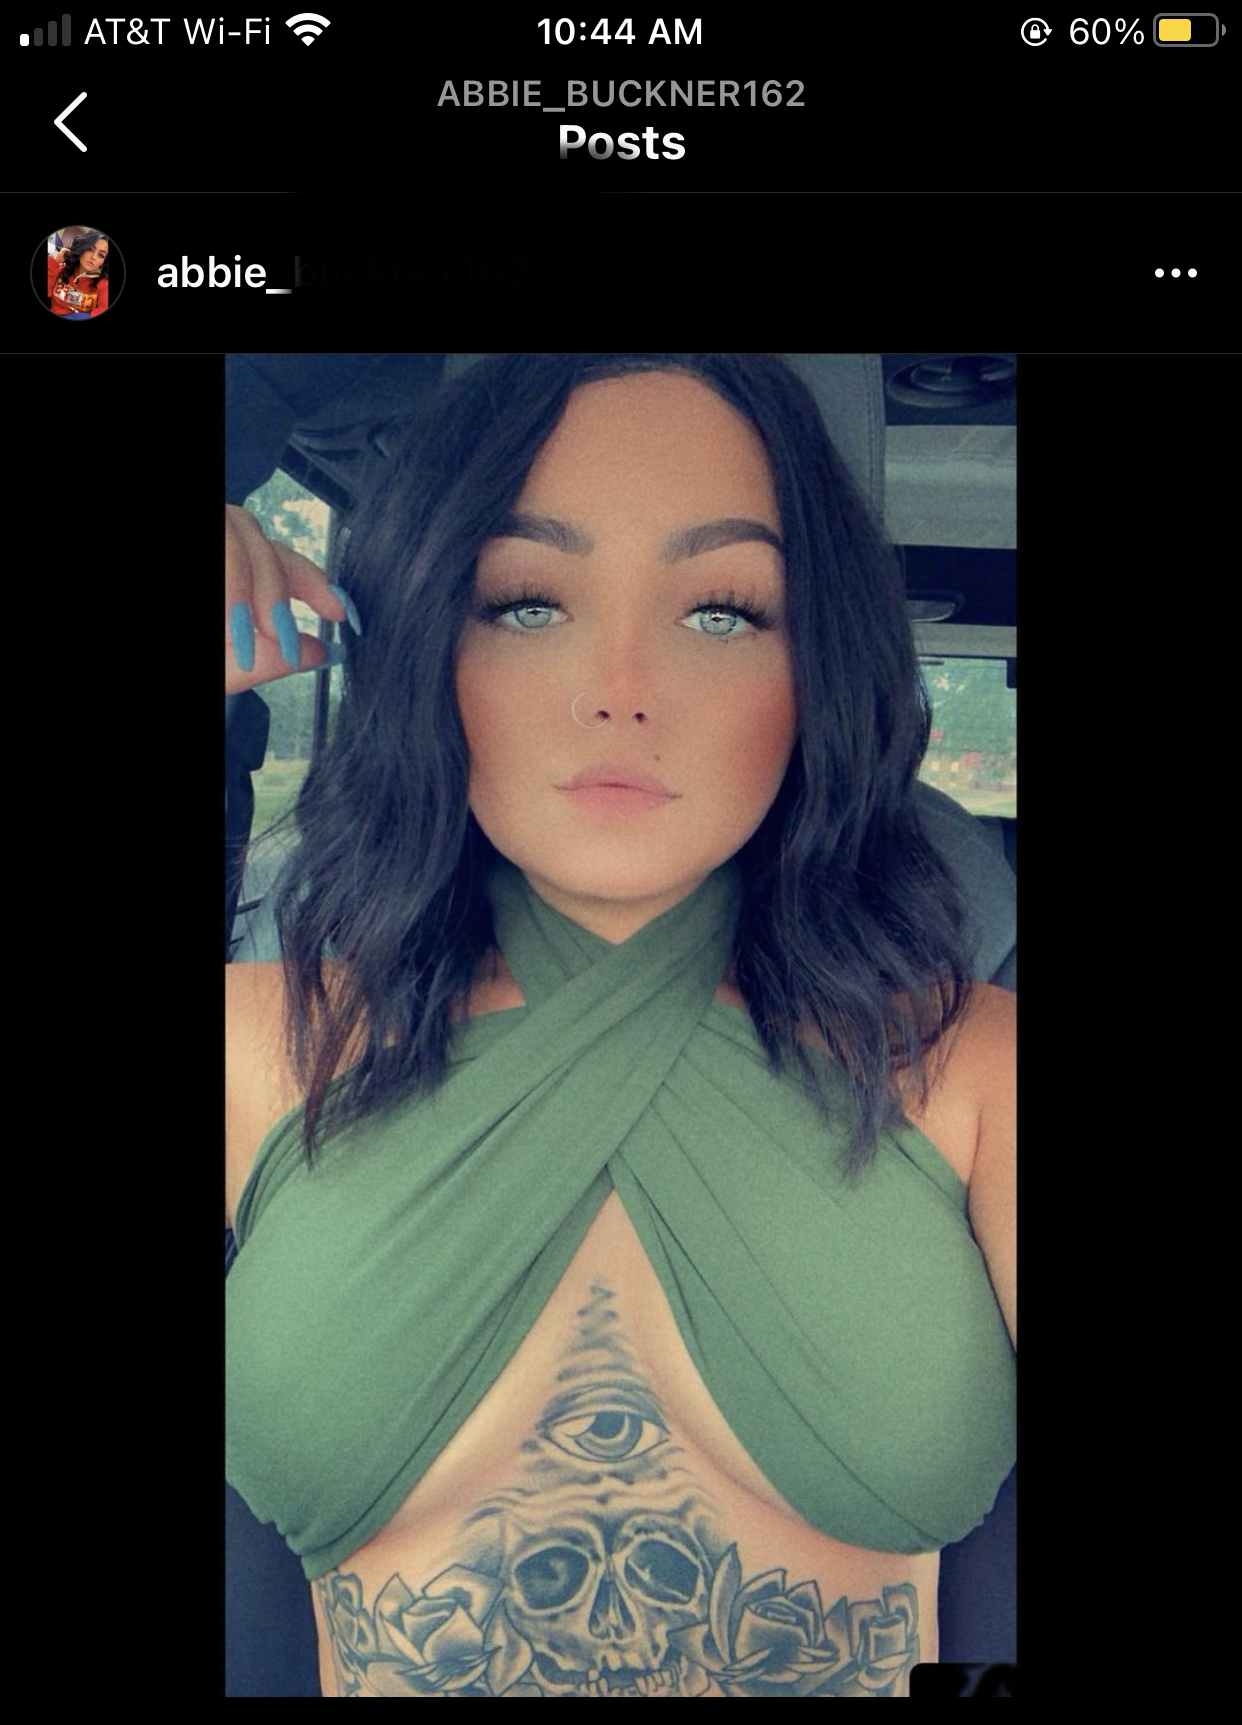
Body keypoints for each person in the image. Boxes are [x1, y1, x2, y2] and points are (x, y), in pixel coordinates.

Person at [225, 354, 1015, 1699]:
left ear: (818, 670)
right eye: (526, 602)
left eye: (721, 611)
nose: (619, 689)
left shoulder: (970, 1066)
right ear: (425, 646)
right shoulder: (265, 1043)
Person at [47, 230, 110, 319]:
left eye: (101, 255)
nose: (93, 257)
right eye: (89, 249)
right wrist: (55, 261)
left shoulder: (104, 285)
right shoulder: (61, 270)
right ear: (82, 248)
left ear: (104, 261)